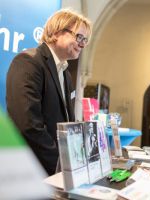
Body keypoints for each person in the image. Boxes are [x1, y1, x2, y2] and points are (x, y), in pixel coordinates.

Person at [6, 9, 92, 175]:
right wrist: (60, 164)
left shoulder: (65, 73)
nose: (82, 44)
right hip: (30, 170)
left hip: (55, 171)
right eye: (79, 37)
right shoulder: (28, 62)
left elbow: (66, 120)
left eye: (85, 40)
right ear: (57, 32)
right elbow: (28, 126)